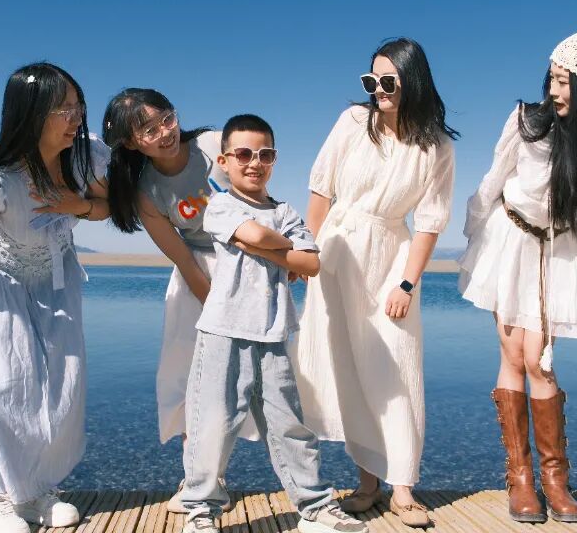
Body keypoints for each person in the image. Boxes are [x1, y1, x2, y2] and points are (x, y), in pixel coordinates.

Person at [458, 28, 577, 524]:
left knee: (539, 362)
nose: (554, 91)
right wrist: (476, 241)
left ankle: (555, 480)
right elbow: (491, 184)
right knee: (512, 355)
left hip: (561, 253)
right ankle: (520, 479)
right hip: (509, 240)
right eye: (552, 78)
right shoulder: (527, 122)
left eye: (566, 83)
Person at [292, 38, 458, 527]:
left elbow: (430, 223)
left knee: (397, 367)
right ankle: (368, 483)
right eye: (372, 81)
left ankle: (403, 487)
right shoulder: (351, 122)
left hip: (391, 255)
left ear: (414, 81)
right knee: (348, 366)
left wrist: (406, 284)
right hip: (337, 251)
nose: (378, 90)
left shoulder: (436, 146)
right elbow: (320, 191)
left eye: (388, 81)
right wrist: (310, 257)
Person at [179, 114, 366, 533]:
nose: (254, 163)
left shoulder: (285, 211)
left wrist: (263, 244)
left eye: (265, 155)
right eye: (244, 154)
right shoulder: (221, 205)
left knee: (289, 425)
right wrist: (282, 249)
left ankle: (314, 508)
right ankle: (201, 511)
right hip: (224, 330)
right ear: (224, 161)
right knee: (213, 425)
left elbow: (310, 264)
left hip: (275, 331)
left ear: (275, 159)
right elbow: (264, 239)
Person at [0, 62, 110, 533]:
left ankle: (36, 489)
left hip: (57, 281)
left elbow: (105, 208)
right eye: (64, 109)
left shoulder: (83, 159)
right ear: (32, 114)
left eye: (78, 106)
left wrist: (76, 205)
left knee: (62, 386)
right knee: (4, 386)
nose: (75, 117)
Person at [102, 89, 256, 511]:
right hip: (197, 278)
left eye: (166, 119)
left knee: (238, 377)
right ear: (131, 143)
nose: (164, 133)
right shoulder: (147, 192)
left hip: (246, 261)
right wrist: (216, 305)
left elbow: (258, 196)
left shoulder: (213, 143)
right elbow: (184, 259)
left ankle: (216, 474)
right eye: (149, 130)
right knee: (191, 376)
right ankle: (198, 477)